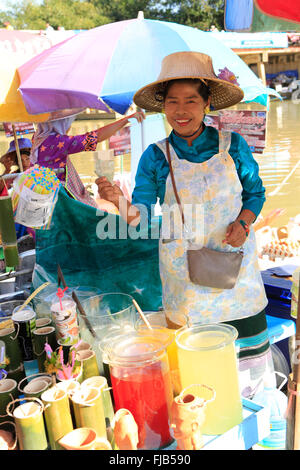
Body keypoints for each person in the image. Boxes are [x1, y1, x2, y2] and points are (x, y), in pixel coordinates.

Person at [96, 51, 275, 398]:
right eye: (173, 101)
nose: (181, 110)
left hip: (236, 278)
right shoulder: (155, 156)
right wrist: (117, 201)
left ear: (207, 103)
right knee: (199, 379)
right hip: (186, 286)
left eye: (191, 100)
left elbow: (256, 193)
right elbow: (141, 219)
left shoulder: (233, 146)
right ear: (163, 106)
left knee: (250, 376)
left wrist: (244, 222)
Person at [30, 111, 145, 184]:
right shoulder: (57, 142)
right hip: (53, 191)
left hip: (39, 185)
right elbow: (95, 137)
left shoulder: (38, 137)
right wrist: (126, 119)